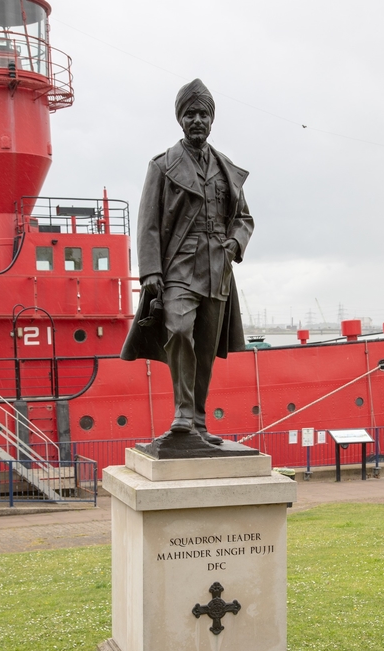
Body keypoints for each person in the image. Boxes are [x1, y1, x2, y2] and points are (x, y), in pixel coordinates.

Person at [121, 79, 254, 444]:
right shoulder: (163, 166)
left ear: (211, 121)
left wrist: (234, 244)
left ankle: (197, 423)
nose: (197, 120)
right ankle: (182, 413)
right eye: (190, 114)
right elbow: (147, 221)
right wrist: (150, 270)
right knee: (178, 330)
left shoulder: (226, 168)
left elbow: (243, 218)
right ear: (180, 120)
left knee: (206, 348)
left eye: (203, 114)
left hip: (217, 267)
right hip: (179, 263)